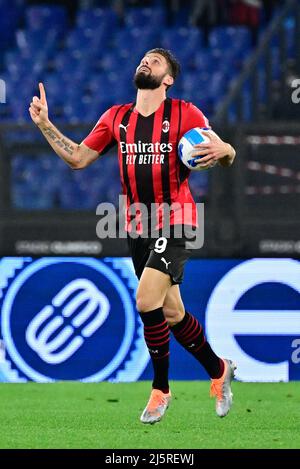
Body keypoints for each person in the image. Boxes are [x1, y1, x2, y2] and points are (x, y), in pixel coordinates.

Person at [29, 48, 237, 424]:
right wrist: (45, 124)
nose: (146, 62)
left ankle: (161, 390)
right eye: (144, 59)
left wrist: (225, 149)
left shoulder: (185, 114)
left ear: (168, 78)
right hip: (138, 226)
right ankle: (219, 369)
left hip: (177, 220)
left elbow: (224, 153)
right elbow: (77, 158)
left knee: (145, 301)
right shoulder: (117, 118)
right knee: (171, 311)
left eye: (155, 61)